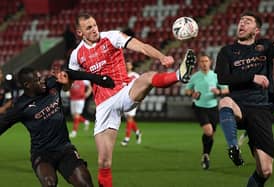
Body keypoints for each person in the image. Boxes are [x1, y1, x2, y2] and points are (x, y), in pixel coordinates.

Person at [68, 13, 196, 187]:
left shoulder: (112, 37)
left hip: (123, 92)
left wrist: (161, 57)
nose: (94, 29)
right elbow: (69, 81)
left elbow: (141, 46)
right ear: (79, 32)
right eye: (88, 27)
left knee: (147, 78)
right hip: (103, 106)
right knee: (104, 162)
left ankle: (180, 74)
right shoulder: (76, 56)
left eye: (95, 25)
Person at [0, 67, 115, 187]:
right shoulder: (20, 107)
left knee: (85, 184)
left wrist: (99, 79)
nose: (43, 81)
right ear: (27, 85)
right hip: (41, 153)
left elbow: (70, 73)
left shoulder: (51, 85)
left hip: (64, 149)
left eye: (42, 77)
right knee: (49, 184)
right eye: (38, 80)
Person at [215, 11, 274, 187]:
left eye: (247, 21)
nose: (241, 24)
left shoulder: (265, 46)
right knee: (224, 102)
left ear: (256, 30)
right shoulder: (227, 51)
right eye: (240, 21)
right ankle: (233, 146)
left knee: (265, 171)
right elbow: (222, 77)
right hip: (239, 106)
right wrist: (252, 77)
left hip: (261, 109)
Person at [184, 54, 229, 170]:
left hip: (213, 107)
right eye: (202, 61)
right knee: (208, 131)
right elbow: (187, 90)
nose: (204, 63)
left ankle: (206, 155)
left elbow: (226, 89)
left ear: (210, 62)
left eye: (206, 61)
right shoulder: (195, 76)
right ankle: (205, 155)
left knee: (211, 134)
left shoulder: (215, 76)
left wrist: (218, 91)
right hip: (199, 107)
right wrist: (192, 94)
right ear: (199, 64)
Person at [120, 61, 142, 146]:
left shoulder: (135, 75)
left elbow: (141, 86)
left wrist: (140, 96)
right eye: (126, 64)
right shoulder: (122, 74)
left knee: (129, 117)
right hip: (124, 98)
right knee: (129, 119)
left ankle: (127, 138)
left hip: (133, 98)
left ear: (132, 66)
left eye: (129, 64)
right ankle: (137, 132)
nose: (127, 66)